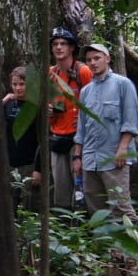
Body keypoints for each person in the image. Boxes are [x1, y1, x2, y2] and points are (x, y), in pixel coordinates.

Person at [73, 44, 138, 220]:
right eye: (88, 60)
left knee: (121, 209)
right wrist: (77, 157)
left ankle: (129, 246)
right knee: (96, 210)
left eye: (97, 58)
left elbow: (131, 120)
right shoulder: (86, 91)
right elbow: (82, 127)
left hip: (114, 158)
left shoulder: (122, 84)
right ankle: (105, 247)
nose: (93, 63)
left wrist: (123, 149)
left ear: (107, 58)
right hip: (89, 160)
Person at [48, 27, 92, 210]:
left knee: (82, 187)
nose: (59, 47)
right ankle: (63, 230)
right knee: (61, 188)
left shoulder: (83, 72)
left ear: (71, 48)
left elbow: (94, 101)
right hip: (57, 136)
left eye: (63, 44)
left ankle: (84, 229)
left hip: (79, 138)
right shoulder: (50, 73)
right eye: (55, 44)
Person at [2, 67, 42, 213]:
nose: (18, 88)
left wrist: (39, 169)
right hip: (10, 164)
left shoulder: (36, 106)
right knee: (9, 205)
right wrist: (3, 102)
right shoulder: (9, 104)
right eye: (15, 84)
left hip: (29, 163)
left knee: (29, 204)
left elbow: (43, 140)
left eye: (22, 84)